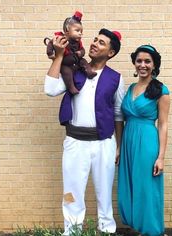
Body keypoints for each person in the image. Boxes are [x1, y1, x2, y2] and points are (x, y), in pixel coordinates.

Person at [44, 28, 124, 235]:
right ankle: (72, 231)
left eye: (102, 43)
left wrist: (117, 146)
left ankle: (107, 230)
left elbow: (117, 114)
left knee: (104, 192)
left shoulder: (116, 78)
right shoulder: (73, 70)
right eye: (95, 40)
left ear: (111, 53)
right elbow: (50, 89)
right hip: (75, 142)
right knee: (72, 191)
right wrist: (59, 57)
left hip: (104, 143)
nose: (94, 43)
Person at [117, 45, 170, 236]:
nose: (143, 65)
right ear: (134, 63)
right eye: (139, 61)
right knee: (131, 184)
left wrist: (161, 157)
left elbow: (163, 124)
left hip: (147, 142)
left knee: (146, 186)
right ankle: (138, 227)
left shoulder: (161, 90)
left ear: (154, 64)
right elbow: (121, 119)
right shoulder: (131, 88)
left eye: (147, 61)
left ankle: (152, 230)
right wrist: (118, 147)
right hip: (128, 142)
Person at [44, 11, 96, 94]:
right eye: (77, 31)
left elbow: (82, 49)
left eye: (81, 31)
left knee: (83, 61)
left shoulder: (78, 42)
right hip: (65, 63)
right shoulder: (60, 39)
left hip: (76, 60)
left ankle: (89, 72)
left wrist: (80, 52)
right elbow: (50, 44)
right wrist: (50, 53)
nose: (80, 33)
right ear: (67, 30)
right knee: (66, 72)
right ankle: (71, 87)